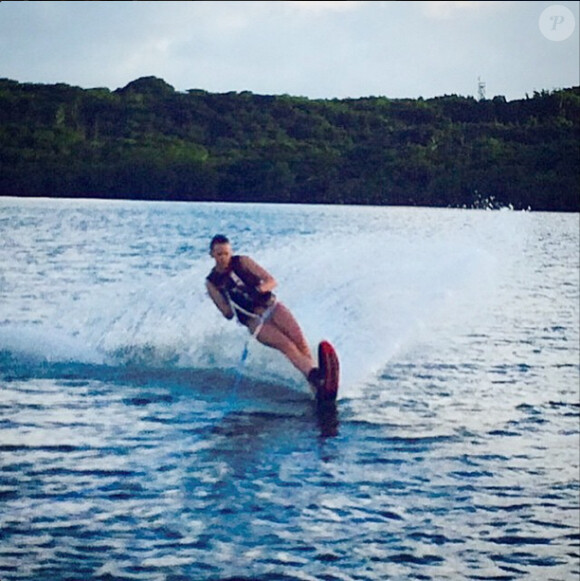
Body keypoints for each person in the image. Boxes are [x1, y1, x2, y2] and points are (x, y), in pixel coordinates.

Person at [206, 234, 323, 391]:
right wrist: (228, 297)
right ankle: (314, 376)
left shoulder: (243, 261)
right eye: (219, 254)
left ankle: (315, 381)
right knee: (287, 345)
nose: (223, 258)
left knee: (299, 340)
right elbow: (228, 314)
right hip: (255, 321)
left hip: (272, 307)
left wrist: (258, 289)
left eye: (226, 253)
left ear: (231, 252)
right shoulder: (212, 282)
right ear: (212, 254)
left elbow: (271, 281)